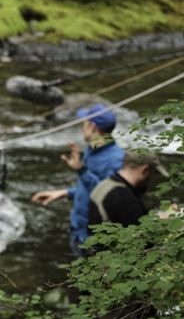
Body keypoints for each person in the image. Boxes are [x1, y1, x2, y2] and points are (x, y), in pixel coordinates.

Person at [80, 151, 168, 319]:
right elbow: (142, 243)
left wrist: (154, 218)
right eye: (152, 175)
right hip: (121, 279)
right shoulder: (125, 199)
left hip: (98, 268)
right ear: (145, 170)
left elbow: (124, 226)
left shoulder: (105, 186)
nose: (151, 181)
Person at [31, 103, 125, 255]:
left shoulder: (116, 159)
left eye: (84, 122)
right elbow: (89, 188)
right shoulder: (92, 148)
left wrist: (80, 169)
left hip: (93, 236)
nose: (82, 126)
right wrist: (64, 193)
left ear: (92, 126)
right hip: (78, 229)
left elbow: (108, 197)